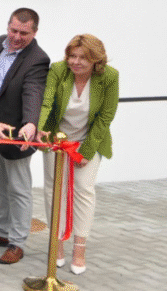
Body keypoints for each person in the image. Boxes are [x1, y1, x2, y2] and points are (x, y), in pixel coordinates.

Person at [0, 8, 50, 264]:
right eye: (13, 30)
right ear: (7, 26)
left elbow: (33, 92)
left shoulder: (37, 59)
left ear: (34, 32)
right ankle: (1, 231)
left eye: (23, 33)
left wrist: (30, 124)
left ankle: (17, 243)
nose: (16, 37)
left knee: (19, 190)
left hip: (16, 136)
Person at [36, 34, 119, 274]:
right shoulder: (58, 70)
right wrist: (41, 129)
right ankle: (57, 244)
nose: (76, 62)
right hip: (57, 139)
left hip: (88, 139)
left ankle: (79, 249)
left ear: (96, 59)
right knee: (54, 190)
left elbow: (106, 116)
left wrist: (87, 151)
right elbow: (47, 102)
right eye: (72, 56)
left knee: (83, 190)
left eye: (83, 57)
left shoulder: (109, 77)